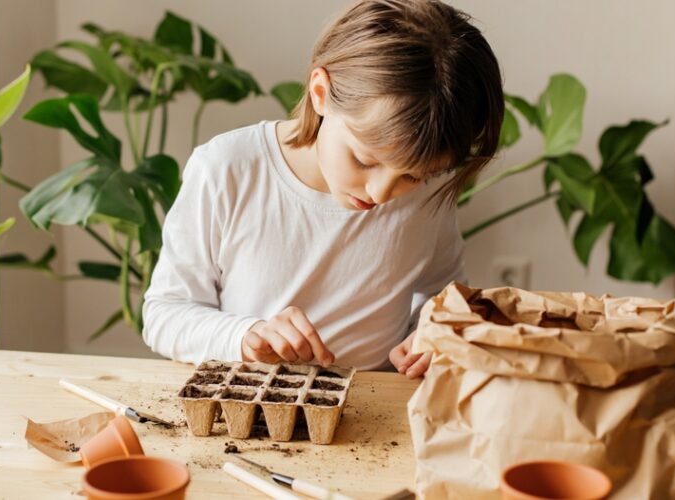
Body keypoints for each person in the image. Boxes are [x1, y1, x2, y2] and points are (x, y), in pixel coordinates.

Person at [142, 0, 503, 378]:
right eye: (364, 160)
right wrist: (244, 335)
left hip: (377, 407)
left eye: (412, 177)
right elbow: (164, 315)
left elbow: (440, 293)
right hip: (251, 406)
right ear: (321, 93)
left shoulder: (431, 189)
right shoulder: (228, 168)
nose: (381, 193)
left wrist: (431, 328)